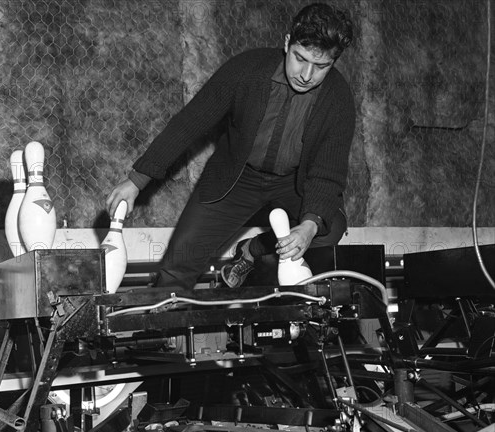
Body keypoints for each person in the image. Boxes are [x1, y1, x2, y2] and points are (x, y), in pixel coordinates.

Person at [106, 3, 355, 290]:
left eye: (321, 66)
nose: (307, 75)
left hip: (294, 185)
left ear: (334, 63)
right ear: (288, 43)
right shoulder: (246, 70)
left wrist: (308, 227)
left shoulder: (338, 99)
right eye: (300, 59)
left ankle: (253, 250)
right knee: (176, 268)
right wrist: (137, 180)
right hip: (236, 179)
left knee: (330, 225)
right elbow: (191, 121)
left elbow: (328, 172)